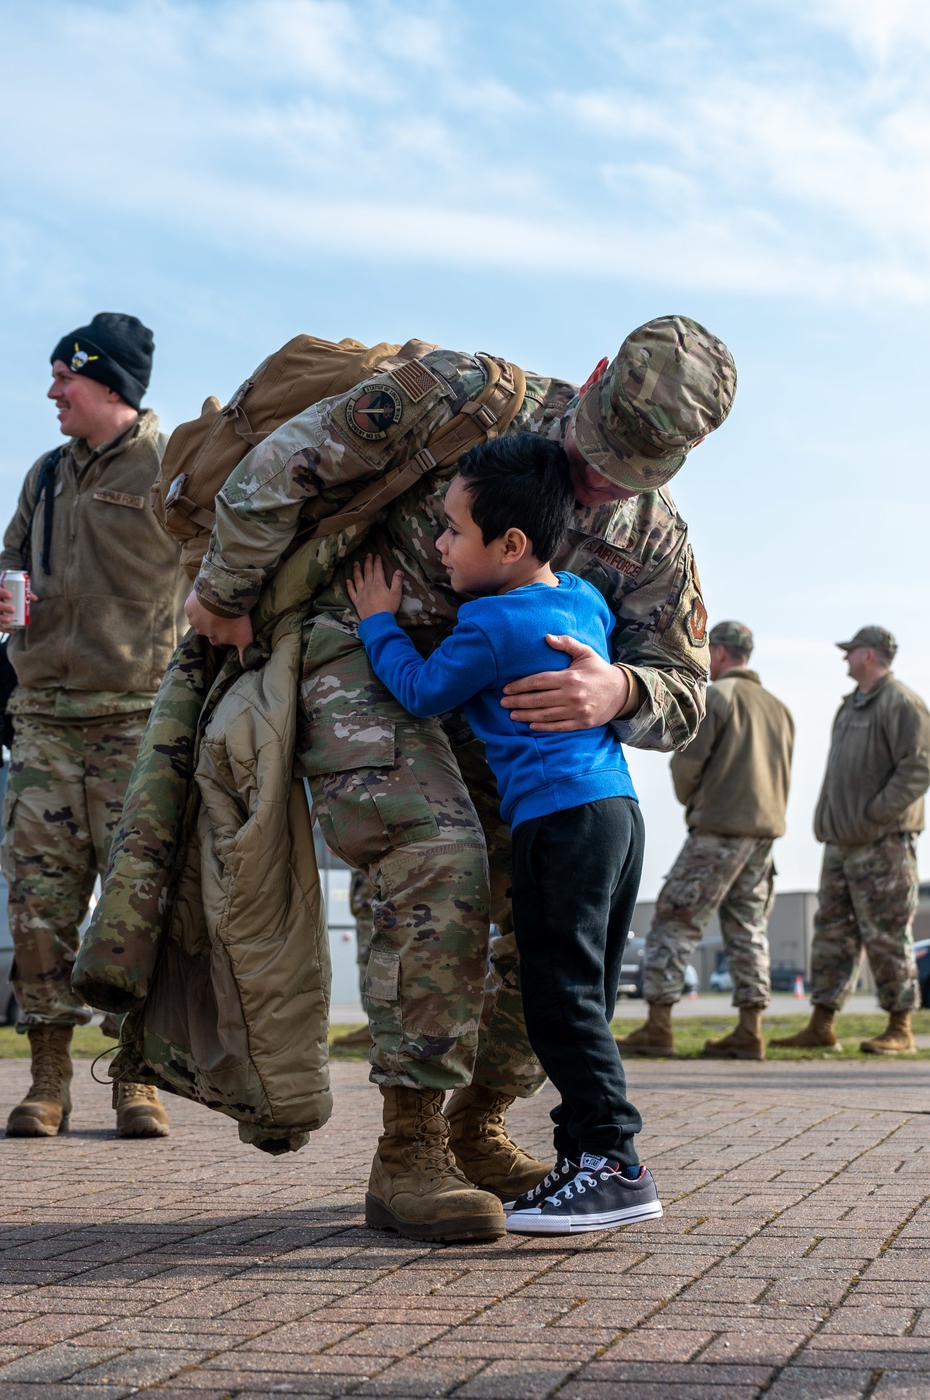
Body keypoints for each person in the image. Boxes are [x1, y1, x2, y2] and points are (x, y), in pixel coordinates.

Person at [184, 316, 736, 1242]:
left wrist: (620, 688)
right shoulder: (462, 396)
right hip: (372, 656)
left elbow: (688, 695)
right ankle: (408, 1151)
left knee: (546, 915)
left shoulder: (653, 541)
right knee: (435, 851)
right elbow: (281, 468)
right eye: (598, 454)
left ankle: (478, 1126)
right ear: (593, 375)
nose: (599, 485)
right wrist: (223, 594)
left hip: (505, 737)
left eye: (630, 475)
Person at [347, 435, 662, 1235]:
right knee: (582, 995)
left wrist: (379, 621)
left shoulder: (488, 622)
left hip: (556, 821)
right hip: (617, 816)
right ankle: (585, 1157)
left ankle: (612, 1166)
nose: (439, 545)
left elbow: (421, 692)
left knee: (560, 1004)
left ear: (511, 545)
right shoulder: (584, 597)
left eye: (453, 530)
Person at [0, 312, 186, 1139]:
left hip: (138, 721)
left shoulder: (175, 465)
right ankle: (48, 1081)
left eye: (64, 378)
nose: (51, 392)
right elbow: (9, 564)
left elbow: (224, 561)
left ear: (108, 384)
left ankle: (136, 1079)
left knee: (138, 908)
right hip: (42, 723)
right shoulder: (45, 474)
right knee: (38, 904)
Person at [617, 621, 794, 1061]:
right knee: (748, 931)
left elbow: (687, 760)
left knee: (674, 921)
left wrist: (690, 797)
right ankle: (749, 1029)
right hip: (763, 838)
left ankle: (658, 1027)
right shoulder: (779, 708)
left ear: (717, 653)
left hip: (718, 831)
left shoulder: (717, 697)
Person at [772, 627, 930, 1056]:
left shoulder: (902, 703)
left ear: (870, 655)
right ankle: (822, 1024)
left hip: (883, 843)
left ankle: (901, 1027)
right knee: (831, 933)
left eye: (851, 652)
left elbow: (919, 768)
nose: (845, 659)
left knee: (887, 934)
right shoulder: (851, 706)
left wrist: (876, 813)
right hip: (841, 843)